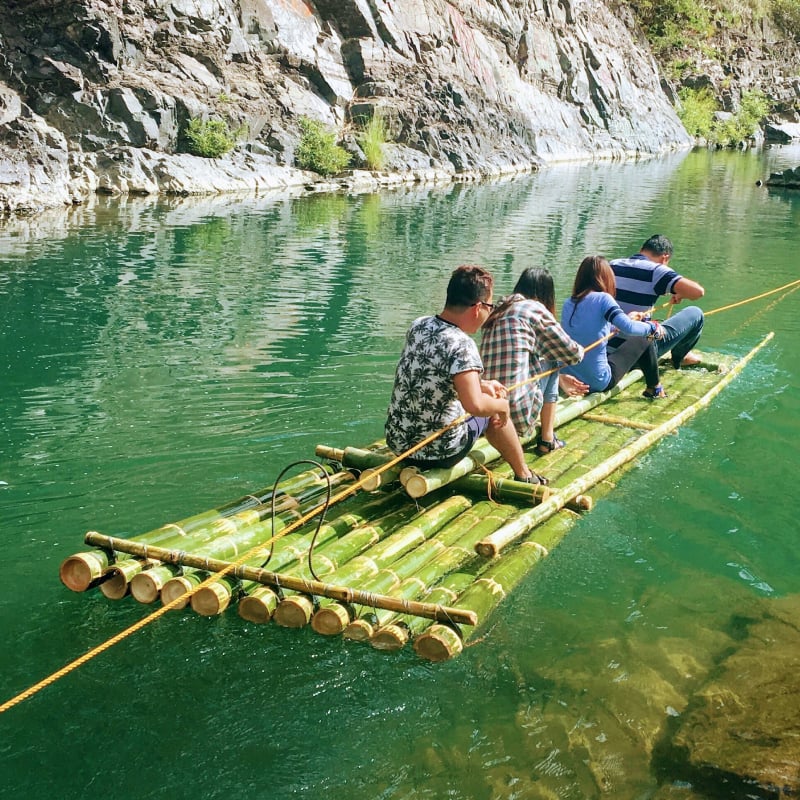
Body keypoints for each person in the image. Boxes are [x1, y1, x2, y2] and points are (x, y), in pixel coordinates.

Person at [385, 264, 545, 484]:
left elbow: (434, 375)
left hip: (398, 443)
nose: (490, 311)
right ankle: (524, 474)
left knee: (485, 397)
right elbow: (476, 407)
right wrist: (502, 406)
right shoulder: (463, 344)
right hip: (437, 453)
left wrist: (480, 384)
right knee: (493, 405)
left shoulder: (418, 325)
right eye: (490, 305)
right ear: (477, 307)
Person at [480, 268, 584, 456]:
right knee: (553, 360)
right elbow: (572, 354)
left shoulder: (498, 310)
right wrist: (581, 349)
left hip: (489, 410)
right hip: (514, 414)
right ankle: (547, 439)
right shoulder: (533, 308)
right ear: (545, 294)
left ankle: (546, 436)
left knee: (544, 357)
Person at [560, 255, 667, 398]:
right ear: (606, 277)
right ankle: (654, 388)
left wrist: (627, 319)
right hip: (597, 381)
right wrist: (653, 328)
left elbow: (593, 330)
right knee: (644, 338)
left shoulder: (569, 302)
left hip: (571, 377)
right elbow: (629, 328)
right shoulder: (604, 298)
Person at [610, 234, 705, 368]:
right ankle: (680, 358)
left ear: (641, 249)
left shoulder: (613, 265)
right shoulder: (657, 271)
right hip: (636, 353)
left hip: (605, 347)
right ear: (665, 258)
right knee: (695, 314)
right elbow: (697, 292)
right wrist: (681, 293)